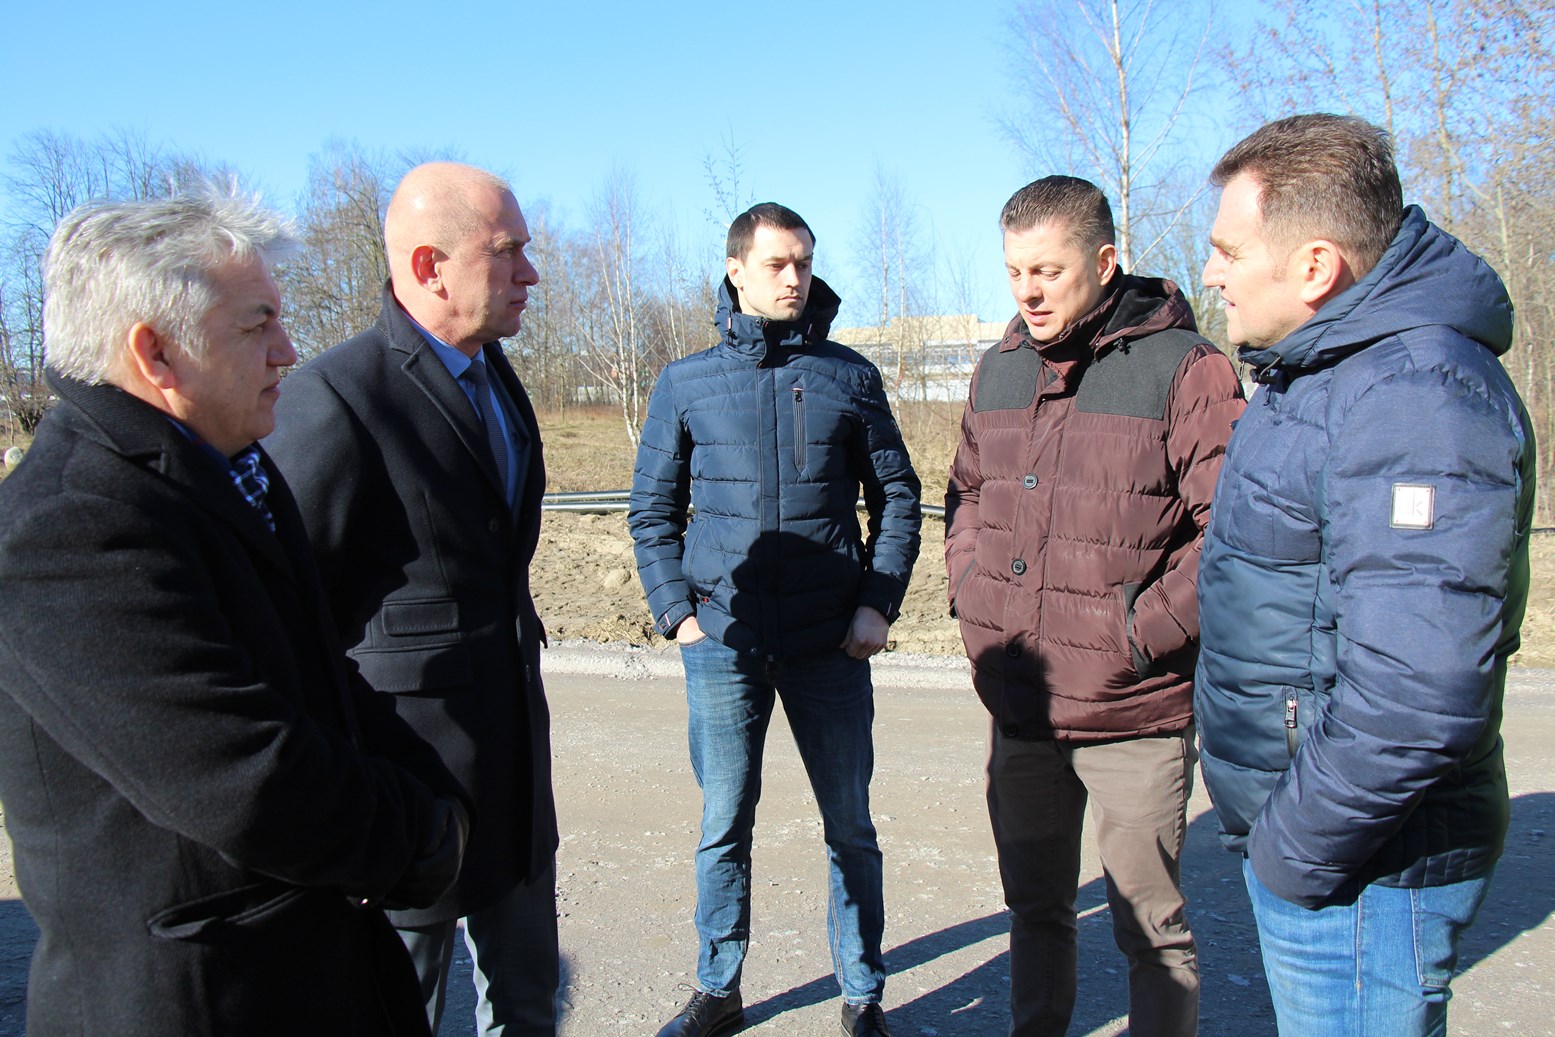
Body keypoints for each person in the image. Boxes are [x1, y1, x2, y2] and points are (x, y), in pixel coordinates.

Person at [0, 190, 470, 1037]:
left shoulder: (221, 466)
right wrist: (419, 837)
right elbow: (243, 777)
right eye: (258, 326)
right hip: (202, 999)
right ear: (156, 352)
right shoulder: (68, 527)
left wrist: (438, 796)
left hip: (301, 973)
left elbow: (315, 675)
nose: (288, 350)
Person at [1195, 113, 1535, 1035]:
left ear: (1314, 266)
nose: (1212, 272)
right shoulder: (1326, 373)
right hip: (1334, 846)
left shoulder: (1414, 395)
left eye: (1228, 249)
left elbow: (1416, 692)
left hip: (1363, 864)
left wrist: (1293, 847)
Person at [944, 175, 1244, 1037]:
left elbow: (1234, 529)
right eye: (1014, 272)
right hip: (1024, 703)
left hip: (1132, 710)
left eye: (1047, 271)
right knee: (1034, 911)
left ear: (1105, 262)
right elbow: (967, 495)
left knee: (1151, 930)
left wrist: (1136, 633)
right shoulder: (998, 370)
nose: (1027, 292)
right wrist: (973, 597)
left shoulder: (1186, 368)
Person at [265, 162, 557, 1036]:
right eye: (507, 252)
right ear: (430, 266)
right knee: (398, 1014)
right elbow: (288, 620)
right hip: (404, 790)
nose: (530, 274)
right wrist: (336, 800)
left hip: (515, 784)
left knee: (528, 1007)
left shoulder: (497, 378)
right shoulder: (335, 396)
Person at [629, 203, 921, 1037]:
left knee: (849, 826)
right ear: (736, 270)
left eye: (803, 262)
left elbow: (897, 496)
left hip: (831, 642)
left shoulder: (847, 375)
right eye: (776, 264)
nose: (794, 278)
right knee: (723, 824)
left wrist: (876, 601)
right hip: (723, 641)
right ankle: (717, 987)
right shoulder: (685, 382)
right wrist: (676, 613)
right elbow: (651, 508)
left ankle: (862, 995)